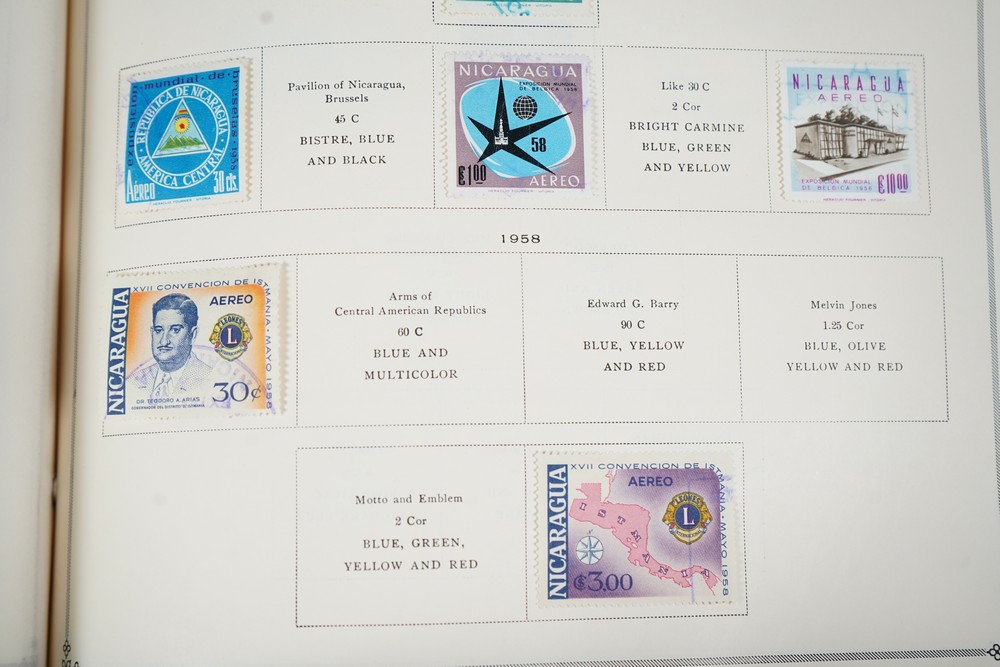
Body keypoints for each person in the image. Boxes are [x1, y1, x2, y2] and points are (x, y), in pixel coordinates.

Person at [128, 293, 213, 399]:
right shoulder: (133, 381)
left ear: (193, 335)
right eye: (158, 330)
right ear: (152, 333)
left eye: (175, 330)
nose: (164, 341)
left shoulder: (210, 377)